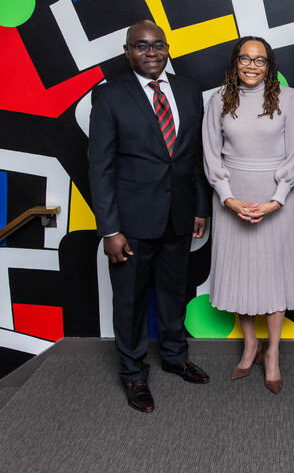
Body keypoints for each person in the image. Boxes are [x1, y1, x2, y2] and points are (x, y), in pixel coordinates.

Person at [89, 20, 212, 413]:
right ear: (128, 52)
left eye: (158, 45)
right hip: (130, 223)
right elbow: (101, 168)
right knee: (130, 300)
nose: (152, 52)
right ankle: (133, 374)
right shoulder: (109, 97)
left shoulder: (190, 90)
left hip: (178, 216)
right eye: (141, 46)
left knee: (175, 293)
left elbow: (192, 155)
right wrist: (110, 229)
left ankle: (175, 357)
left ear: (166, 48)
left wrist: (199, 207)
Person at [202, 36, 294, 394]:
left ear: (269, 65)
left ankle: (273, 352)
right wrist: (228, 199)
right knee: (241, 276)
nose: (251, 65)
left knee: (274, 277)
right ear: (235, 62)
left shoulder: (289, 99)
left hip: (277, 200)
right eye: (244, 59)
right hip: (232, 197)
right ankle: (250, 346)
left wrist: (276, 200)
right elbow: (211, 155)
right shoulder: (218, 100)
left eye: (260, 60)